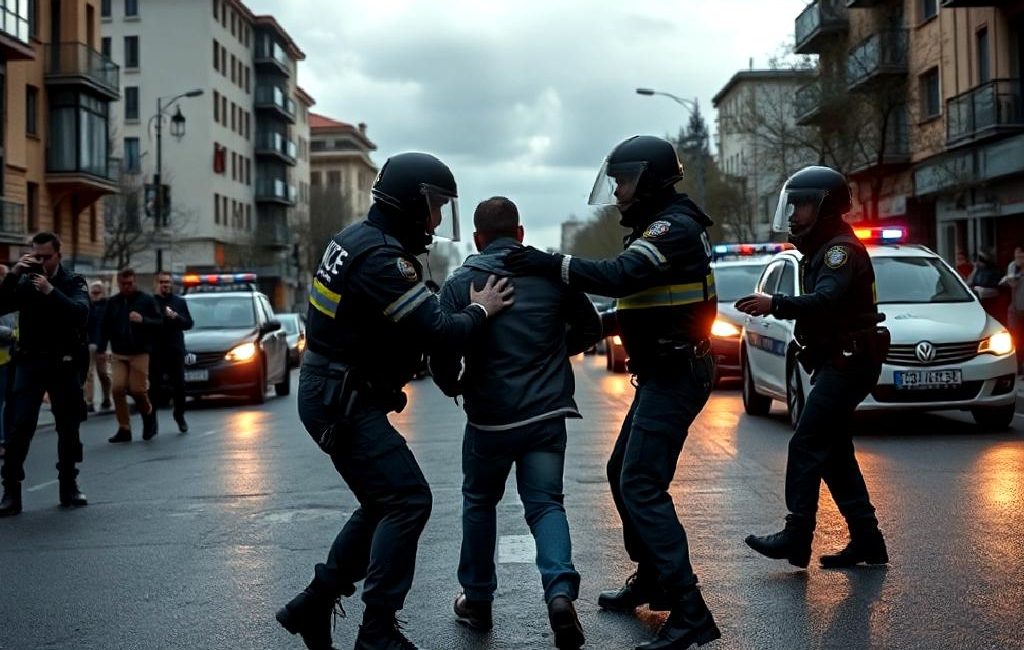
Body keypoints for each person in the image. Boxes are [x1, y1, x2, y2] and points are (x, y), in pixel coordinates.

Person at [276, 152, 513, 650]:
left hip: (332, 389)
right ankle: (377, 628)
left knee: (381, 501)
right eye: (433, 207)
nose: (434, 220)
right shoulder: (384, 259)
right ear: (411, 202)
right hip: (341, 396)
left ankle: (313, 605)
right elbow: (440, 332)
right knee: (407, 499)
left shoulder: (355, 238)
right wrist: (480, 309)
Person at [505, 135, 720, 650]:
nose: (618, 192)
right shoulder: (657, 225)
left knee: (642, 484)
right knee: (620, 473)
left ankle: (691, 612)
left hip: (677, 373)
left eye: (623, 181)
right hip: (664, 371)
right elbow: (641, 302)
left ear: (648, 177)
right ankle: (653, 578)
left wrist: (550, 263)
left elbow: (621, 277)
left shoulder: (673, 226)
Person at [430, 197, 601, 649]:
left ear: (476, 238)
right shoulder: (550, 276)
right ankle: (560, 594)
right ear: (521, 233)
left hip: (490, 421)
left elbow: (442, 349)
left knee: (480, 503)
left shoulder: (461, 282)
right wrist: (549, 355)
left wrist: (455, 386)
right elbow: (589, 329)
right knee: (546, 504)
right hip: (546, 414)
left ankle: (479, 601)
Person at [735, 165, 891, 570]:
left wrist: (777, 303)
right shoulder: (821, 249)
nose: (793, 214)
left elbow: (827, 300)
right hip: (837, 360)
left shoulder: (841, 251)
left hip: (849, 361)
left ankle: (797, 533)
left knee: (805, 442)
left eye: (801, 205)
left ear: (824, 206)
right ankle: (867, 541)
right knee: (834, 453)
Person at [0, 232, 89, 516]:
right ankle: (11, 491)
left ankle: (68, 484)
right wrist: (14, 274)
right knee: (19, 427)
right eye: (35, 256)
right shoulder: (25, 283)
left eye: (46, 257)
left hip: (63, 363)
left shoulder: (72, 281)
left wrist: (51, 291)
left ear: (58, 255)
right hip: (30, 362)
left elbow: (80, 312)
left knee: (68, 426)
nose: (40, 262)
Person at [100, 267, 162, 443]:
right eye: (123, 284)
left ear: (135, 282)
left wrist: (143, 320)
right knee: (117, 388)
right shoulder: (113, 302)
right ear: (119, 284)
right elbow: (104, 326)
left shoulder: (146, 300)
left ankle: (148, 415)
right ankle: (124, 428)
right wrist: (102, 349)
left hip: (140, 352)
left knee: (138, 390)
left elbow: (159, 322)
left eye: (130, 283)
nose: (127, 287)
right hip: (119, 353)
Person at [150, 271, 194, 433]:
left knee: (179, 386)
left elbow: (189, 323)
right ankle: (152, 420)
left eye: (168, 282)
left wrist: (176, 316)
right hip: (156, 351)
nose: (165, 285)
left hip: (175, 350)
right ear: (156, 284)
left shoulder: (179, 302)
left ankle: (179, 415)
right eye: (162, 282)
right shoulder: (150, 302)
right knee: (154, 388)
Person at [84, 281, 112, 413]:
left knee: (103, 374)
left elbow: (107, 328)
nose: (94, 295)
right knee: (88, 374)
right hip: (88, 344)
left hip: (101, 345)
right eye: (93, 292)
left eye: (97, 292)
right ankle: (89, 401)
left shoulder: (107, 307)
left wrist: (104, 346)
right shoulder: (87, 305)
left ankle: (106, 398)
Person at [999, 246, 1024, 374]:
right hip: (1014, 307)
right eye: (1016, 256)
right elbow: (1010, 284)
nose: (1018, 259)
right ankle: (1018, 365)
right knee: (1015, 337)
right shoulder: (1013, 266)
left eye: (1021, 256)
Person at [0, 265, 12, 460]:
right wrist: (13, 334)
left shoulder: (11, 297)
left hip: (10, 357)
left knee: (9, 402)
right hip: (2, 357)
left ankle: (7, 439)